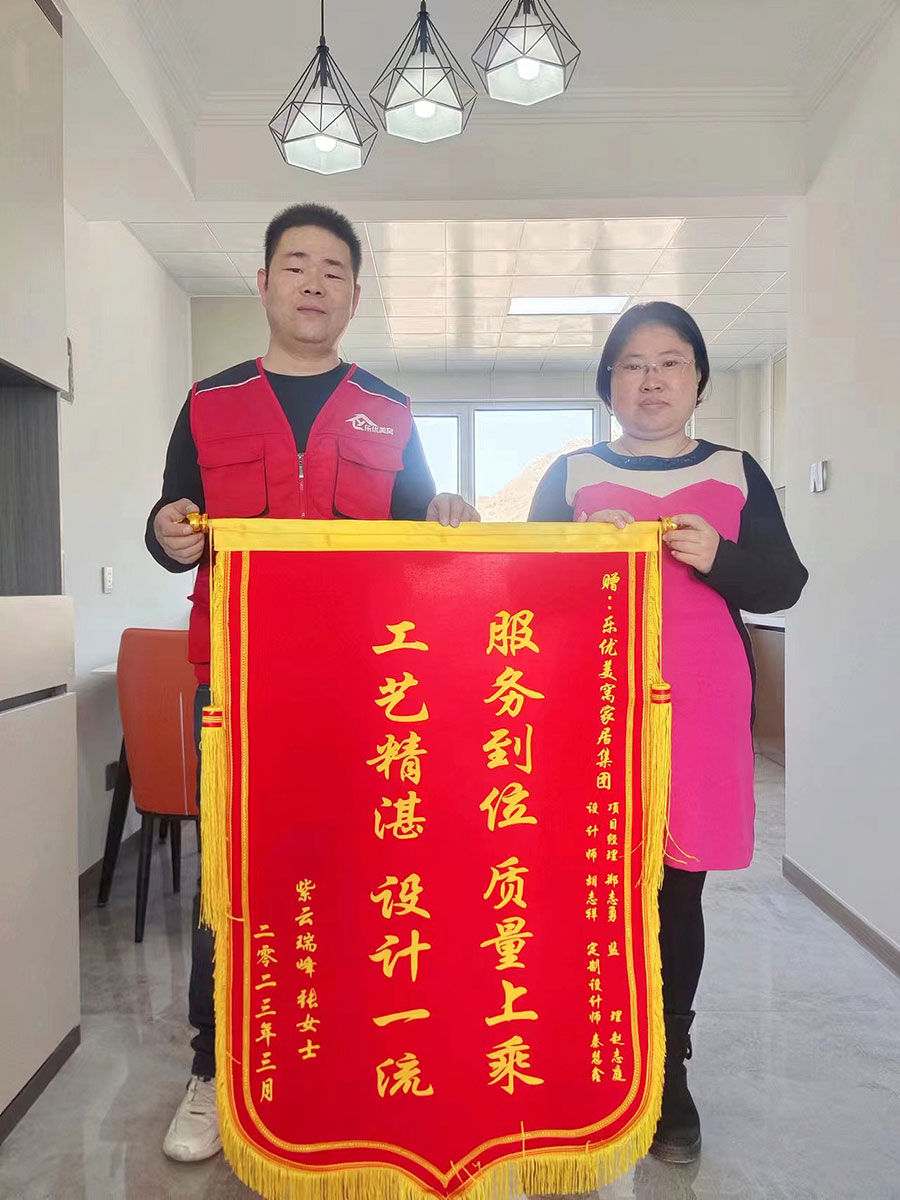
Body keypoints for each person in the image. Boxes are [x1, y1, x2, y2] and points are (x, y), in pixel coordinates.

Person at [146, 202, 479, 1163]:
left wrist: (447, 513)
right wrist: (165, 535)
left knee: (360, 876)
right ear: (263, 283)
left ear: (355, 297)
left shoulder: (390, 409)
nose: (313, 284)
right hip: (237, 692)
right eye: (296, 265)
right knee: (230, 881)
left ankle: (348, 1062)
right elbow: (173, 523)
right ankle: (214, 1073)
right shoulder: (208, 402)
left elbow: (421, 541)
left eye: (333, 271)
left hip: (364, 692)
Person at [528, 301, 807, 1164]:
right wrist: (574, 549)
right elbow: (515, 590)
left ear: (698, 379)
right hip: (585, 707)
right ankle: (582, 1051)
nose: (651, 380)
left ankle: (666, 1068)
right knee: (585, 885)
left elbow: (784, 584)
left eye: (670, 362)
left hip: (701, 705)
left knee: (676, 889)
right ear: (607, 382)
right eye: (632, 365)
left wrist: (718, 558)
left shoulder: (735, 470)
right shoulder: (572, 474)